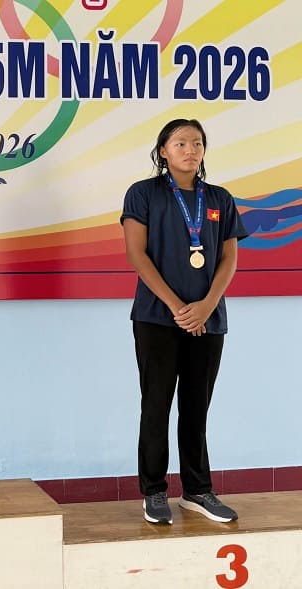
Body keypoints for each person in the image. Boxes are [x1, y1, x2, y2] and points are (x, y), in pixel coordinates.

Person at [121, 118, 247, 525]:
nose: (189, 150)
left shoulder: (219, 198)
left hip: (208, 320)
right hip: (158, 318)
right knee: (156, 407)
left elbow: (229, 257)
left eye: (196, 143)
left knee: (196, 409)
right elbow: (137, 255)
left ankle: (196, 491)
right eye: (179, 143)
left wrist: (207, 305)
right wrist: (179, 307)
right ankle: (154, 492)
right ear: (163, 151)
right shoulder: (143, 194)